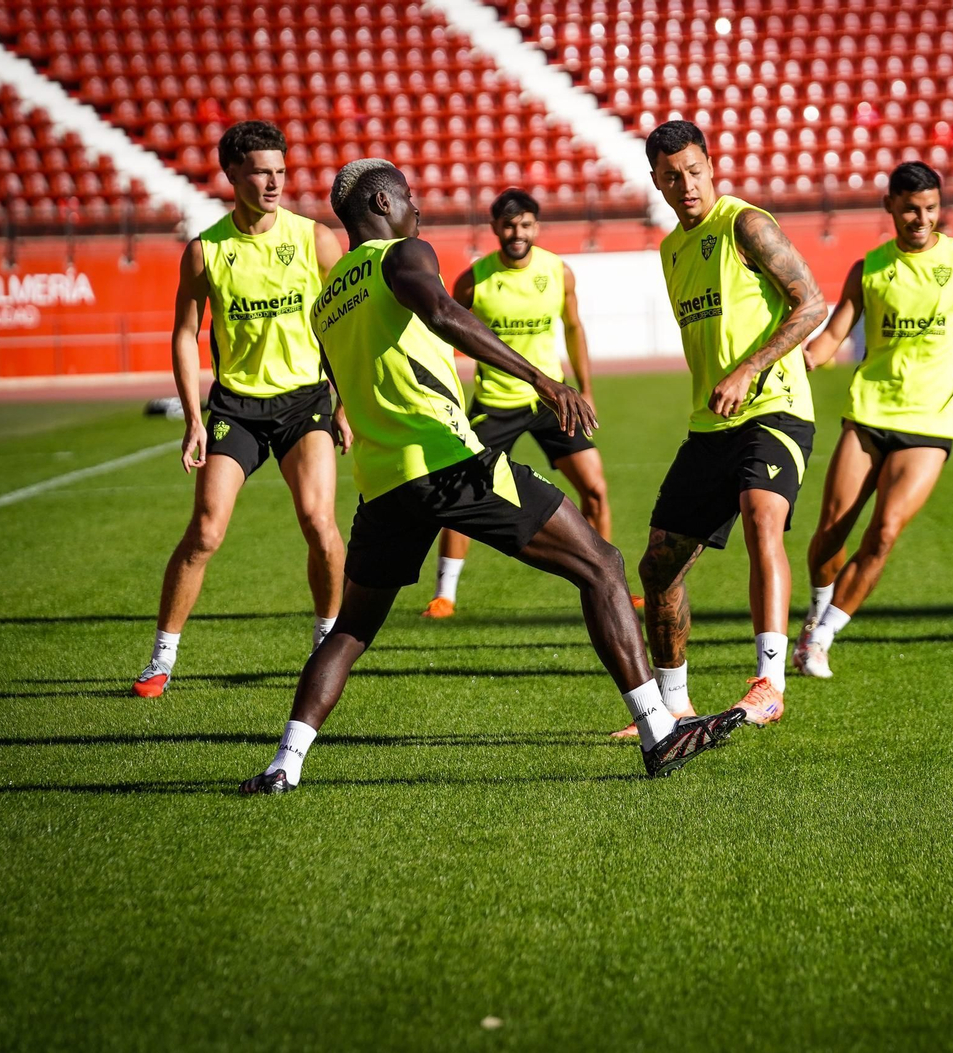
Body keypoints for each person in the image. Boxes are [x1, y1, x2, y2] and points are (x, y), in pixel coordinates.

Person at [241, 160, 744, 792]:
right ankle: (658, 730)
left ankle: (284, 764)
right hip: (449, 462)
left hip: (382, 482)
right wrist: (543, 378)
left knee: (350, 629)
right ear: (380, 200)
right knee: (603, 565)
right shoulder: (401, 253)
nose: (418, 208)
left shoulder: (327, 301)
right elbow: (445, 315)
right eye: (409, 197)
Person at [610, 120, 827, 738]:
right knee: (658, 568)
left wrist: (749, 368)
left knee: (763, 515)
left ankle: (770, 684)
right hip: (710, 426)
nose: (687, 185)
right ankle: (674, 706)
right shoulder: (671, 249)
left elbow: (810, 301)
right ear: (656, 180)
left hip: (775, 407)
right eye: (672, 176)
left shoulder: (746, 223)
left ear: (712, 166)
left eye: (695, 171)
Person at [133, 120, 352, 699]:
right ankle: (160, 661)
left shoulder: (317, 240)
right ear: (232, 174)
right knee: (205, 533)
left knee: (320, 523)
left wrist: (345, 403)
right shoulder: (206, 251)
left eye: (280, 170)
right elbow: (184, 334)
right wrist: (192, 419)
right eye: (261, 171)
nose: (274, 181)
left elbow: (344, 327)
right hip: (236, 407)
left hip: (306, 401)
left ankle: (326, 646)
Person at [794, 162, 953, 678]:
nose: (921, 218)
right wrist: (799, 359)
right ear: (889, 206)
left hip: (930, 424)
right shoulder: (870, 268)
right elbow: (836, 329)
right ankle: (815, 612)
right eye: (910, 207)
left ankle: (822, 638)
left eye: (930, 207)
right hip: (868, 415)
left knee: (884, 533)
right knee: (829, 537)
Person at [418, 188, 624, 618]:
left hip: (552, 402)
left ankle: (612, 584)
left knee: (596, 488)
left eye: (526, 224)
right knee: (461, 497)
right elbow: (447, 337)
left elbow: (573, 328)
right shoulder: (475, 280)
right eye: (509, 224)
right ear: (495, 227)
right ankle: (445, 595)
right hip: (494, 404)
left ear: (536, 226)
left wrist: (585, 389)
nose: (518, 232)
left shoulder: (559, 272)